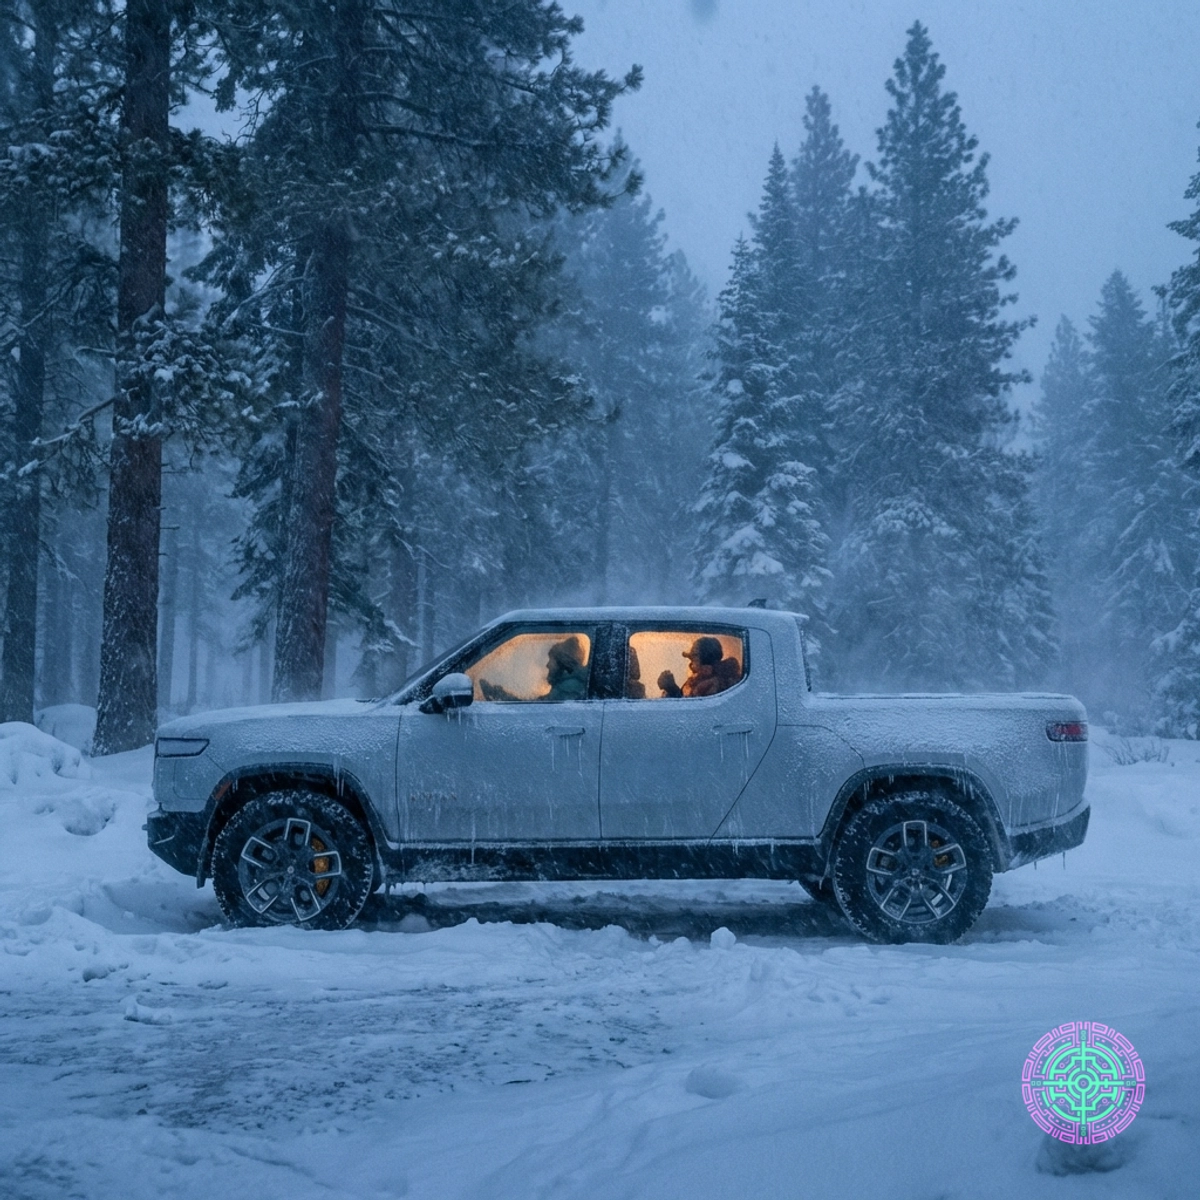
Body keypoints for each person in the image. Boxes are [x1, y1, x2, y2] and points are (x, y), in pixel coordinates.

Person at [658, 636, 740, 698]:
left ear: (706, 657)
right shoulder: (704, 678)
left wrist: (672, 689)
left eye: (694, 655)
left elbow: (691, 711)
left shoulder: (712, 683)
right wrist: (672, 689)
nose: (691, 659)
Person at [544, 636, 589, 701]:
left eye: (551, 659)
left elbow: (548, 706)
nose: (547, 665)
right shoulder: (563, 685)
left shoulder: (569, 688)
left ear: (562, 662)